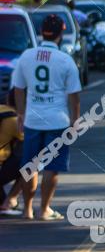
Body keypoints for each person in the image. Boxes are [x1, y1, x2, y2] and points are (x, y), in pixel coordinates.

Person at [12, 14, 81, 220]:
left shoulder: (27, 56)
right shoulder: (65, 60)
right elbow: (74, 96)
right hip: (57, 120)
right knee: (52, 167)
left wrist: (21, 113)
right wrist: (75, 122)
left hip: (33, 119)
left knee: (30, 165)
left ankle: (27, 209)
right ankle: (44, 209)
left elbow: (18, 88)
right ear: (60, 34)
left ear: (42, 32)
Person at [0, 95, 24, 216]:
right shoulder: (14, 119)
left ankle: (5, 202)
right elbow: (28, 143)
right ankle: (10, 201)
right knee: (34, 163)